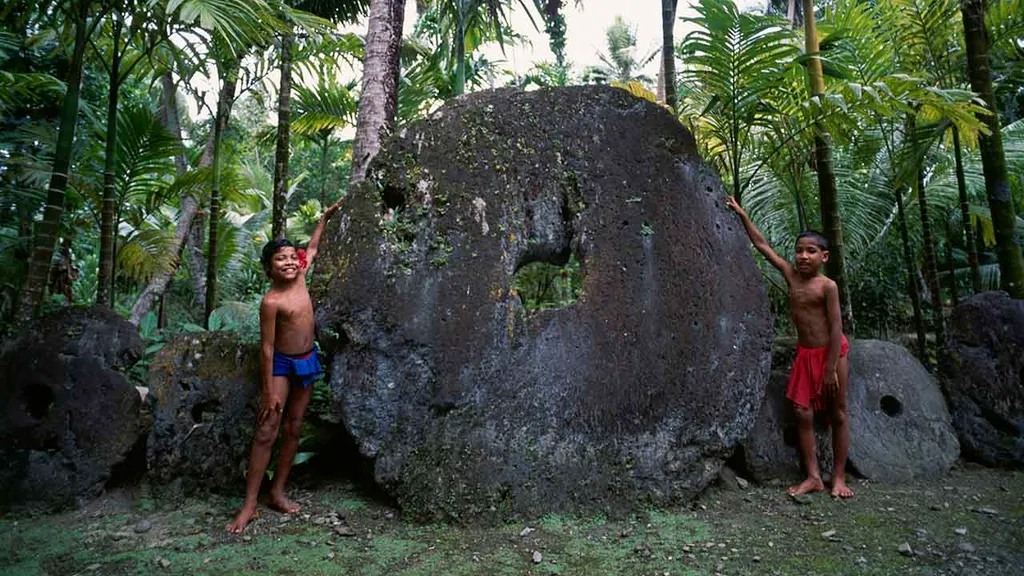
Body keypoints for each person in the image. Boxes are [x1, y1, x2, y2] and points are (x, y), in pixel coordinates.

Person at [227, 198, 344, 533]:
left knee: (294, 428)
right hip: (279, 364)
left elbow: (314, 245)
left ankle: (277, 490)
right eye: (282, 259)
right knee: (267, 430)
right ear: (269, 267)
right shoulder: (272, 301)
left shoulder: (302, 275)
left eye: (293, 257)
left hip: (306, 361)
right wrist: (268, 392)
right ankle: (249, 504)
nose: (291, 262)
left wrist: (324, 217)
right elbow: (265, 348)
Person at [726, 197, 854, 499]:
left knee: (838, 415)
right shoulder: (790, 275)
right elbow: (762, 246)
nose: (803, 256)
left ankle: (838, 477)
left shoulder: (828, 286)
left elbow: (836, 328)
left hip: (832, 354)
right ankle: (813, 477)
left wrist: (830, 368)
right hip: (805, 354)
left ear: (824, 256)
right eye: (799, 251)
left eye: (811, 251)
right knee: (802, 413)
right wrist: (743, 214)